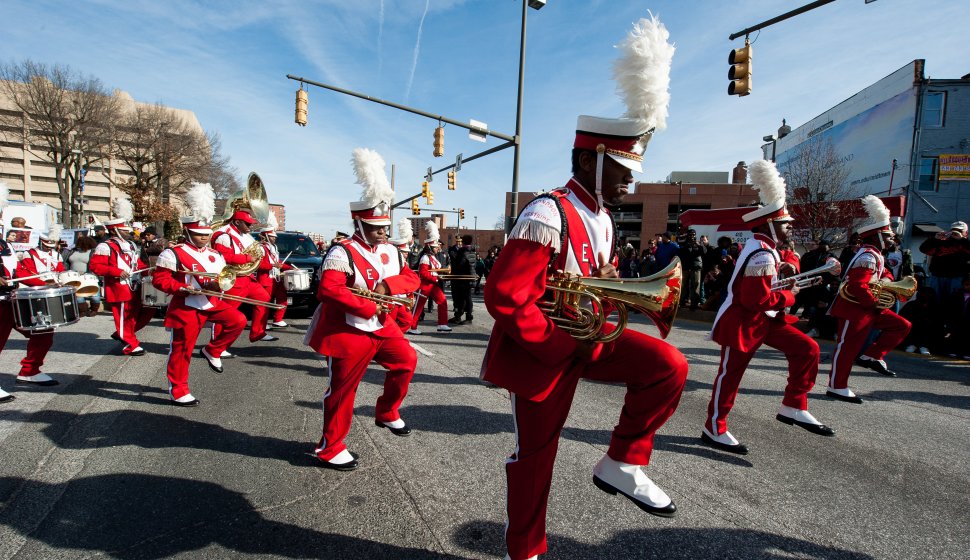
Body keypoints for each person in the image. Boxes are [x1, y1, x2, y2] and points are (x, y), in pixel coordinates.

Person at [483, 16, 687, 559]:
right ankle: (525, 549)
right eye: (621, 169)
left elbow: (594, 278)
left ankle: (622, 460)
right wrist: (555, 344)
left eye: (632, 170)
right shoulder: (548, 212)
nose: (631, 181)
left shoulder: (600, 217)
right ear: (588, 159)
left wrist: (619, 291)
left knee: (669, 366)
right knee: (536, 457)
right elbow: (504, 297)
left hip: (585, 336)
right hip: (544, 350)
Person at [702, 160, 835, 455]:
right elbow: (756, 300)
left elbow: (778, 273)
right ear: (770, 224)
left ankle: (793, 405)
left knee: (807, 350)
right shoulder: (762, 255)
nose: (790, 228)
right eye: (785, 224)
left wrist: (787, 270)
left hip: (764, 320)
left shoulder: (768, 250)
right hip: (744, 320)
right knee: (730, 377)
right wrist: (790, 296)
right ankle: (714, 427)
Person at [304, 147, 420, 470]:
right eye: (376, 227)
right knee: (343, 390)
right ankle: (330, 447)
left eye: (385, 227)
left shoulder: (391, 251)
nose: (383, 232)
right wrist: (368, 303)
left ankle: (386, 410)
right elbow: (329, 289)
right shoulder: (343, 251)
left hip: (381, 326)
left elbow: (410, 278)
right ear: (359, 223)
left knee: (407, 360)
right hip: (349, 328)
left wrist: (387, 288)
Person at [152, 216, 247, 405]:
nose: (203, 238)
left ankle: (212, 350)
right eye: (198, 234)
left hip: (210, 302)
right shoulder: (173, 253)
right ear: (187, 231)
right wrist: (182, 288)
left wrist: (217, 285)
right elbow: (160, 280)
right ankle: (179, 390)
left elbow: (222, 279)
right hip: (187, 305)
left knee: (238, 320)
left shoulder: (215, 254)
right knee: (182, 349)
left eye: (206, 234)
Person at [827, 196, 912, 403]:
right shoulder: (867, 256)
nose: (892, 239)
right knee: (846, 347)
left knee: (901, 325)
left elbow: (886, 276)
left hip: (867, 307)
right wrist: (873, 303)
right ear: (877, 237)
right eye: (888, 235)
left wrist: (885, 281)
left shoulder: (875, 254)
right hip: (854, 308)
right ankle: (836, 386)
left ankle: (872, 356)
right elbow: (857, 286)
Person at [88, 211, 154, 356]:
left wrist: (148, 272)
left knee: (146, 312)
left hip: (136, 284)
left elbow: (138, 264)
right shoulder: (104, 246)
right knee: (124, 315)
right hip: (119, 286)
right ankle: (130, 343)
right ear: (114, 230)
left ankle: (123, 333)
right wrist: (116, 272)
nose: (128, 233)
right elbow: (95, 266)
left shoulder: (130, 244)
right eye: (124, 230)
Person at [9, 225, 64, 388]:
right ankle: (29, 370)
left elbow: (60, 270)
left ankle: (30, 370)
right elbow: (23, 274)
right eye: (46, 244)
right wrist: (44, 283)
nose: (49, 248)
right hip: (28, 297)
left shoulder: (56, 255)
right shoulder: (29, 253)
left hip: (45, 296)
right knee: (42, 333)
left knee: (44, 334)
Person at [211, 209, 275, 344]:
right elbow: (221, 257)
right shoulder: (223, 235)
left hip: (247, 277)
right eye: (247, 224)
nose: (250, 227)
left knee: (264, 299)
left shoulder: (244, 234)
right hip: (233, 277)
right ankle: (217, 343)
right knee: (227, 311)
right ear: (237, 221)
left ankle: (258, 333)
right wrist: (246, 258)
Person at [407, 222, 452, 334]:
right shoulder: (425, 258)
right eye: (436, 247)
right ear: (430, 247)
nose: (438, 249)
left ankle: (442, 324)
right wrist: (436, 278)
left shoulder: (434, 258)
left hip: (433, 285)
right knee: (419, 307)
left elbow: (436, 271)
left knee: (442, 301)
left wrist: (442, 276)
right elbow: (423, 273)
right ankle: (412, 327)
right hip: (425, 286)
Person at [918, 221, 970, 301]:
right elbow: (923, 249)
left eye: (960, 231)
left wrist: (962, 239)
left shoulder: (965, 243)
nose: (955, 233)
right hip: (938, 276)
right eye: (953, 230)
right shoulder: (942, 241)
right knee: (935, 300)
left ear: (966, 233)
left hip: (957, 277)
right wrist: (935, 239)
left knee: (954, 301)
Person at [255, 225, 294, 329]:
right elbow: (257, 265)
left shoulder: (274, 248)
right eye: (272, 236)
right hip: (265, 279)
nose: (275, 238)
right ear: (266, 236)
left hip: (276, 278)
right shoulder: (260, 248)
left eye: (274, 237)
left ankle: (278, 319)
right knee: (265, 302)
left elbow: (278, 263)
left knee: (283, 299)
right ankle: (261, 323)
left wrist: (289, 268)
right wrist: (273, 265)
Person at [68, 235, 101, 317]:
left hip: (89, 275)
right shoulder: (73, 251)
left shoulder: (92, 252)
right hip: (75, 276)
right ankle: (83, 310)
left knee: (94, 295)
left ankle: (94, 309)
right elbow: (67, 261)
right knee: (78, 295)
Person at [449, 234, 477, 324]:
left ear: (463, 242)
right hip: (470, 278)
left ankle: (461, 317)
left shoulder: (463, 252)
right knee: (467, 297)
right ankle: (465, 316)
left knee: (460, 298)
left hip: (462, 279)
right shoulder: (473, 252)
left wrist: (454, 257)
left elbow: (459, 266)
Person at [942, 275, 970, 359]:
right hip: (957, 320)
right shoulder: (956, 294)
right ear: (963, 284)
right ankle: (954, 350)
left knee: (968, 336)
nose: (968, 286)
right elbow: (950, 307)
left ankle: (967, 352)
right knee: (955, 335)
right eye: (966, 284)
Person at [677, 229, 705, 310]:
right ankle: (682, 301)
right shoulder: (684, 244)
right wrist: (687, 246)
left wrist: (699, 245)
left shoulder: (698, 244)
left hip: (695, 267)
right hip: (686, 267)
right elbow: (680, 253)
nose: (692, 236)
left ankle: (694, 303)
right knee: (683, 285)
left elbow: (704, 252)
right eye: (690, 234)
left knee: (695, 284)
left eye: (693, 234)